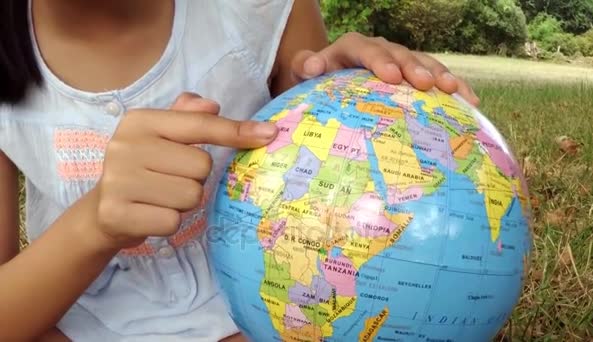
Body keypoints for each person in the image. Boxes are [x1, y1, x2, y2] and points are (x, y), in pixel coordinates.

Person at [0, 0, 480, 341]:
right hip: (71, 321)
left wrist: (336, 96)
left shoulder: (263, 11)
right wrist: (95, 224)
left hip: (257, 314)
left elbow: (322, 189)